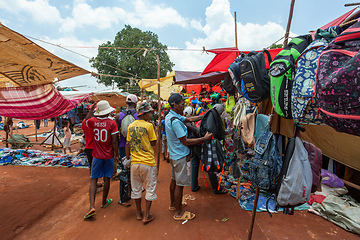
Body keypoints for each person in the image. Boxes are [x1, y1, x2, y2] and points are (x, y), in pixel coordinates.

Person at [165, 93, 213, 221]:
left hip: (175, 154)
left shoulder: (171, 116)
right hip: (180, 155)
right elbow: (185, 141)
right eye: (182, 104)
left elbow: (190, 120)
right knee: (179, 184)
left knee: (174, 180)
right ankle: (179, 212)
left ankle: (173, 204)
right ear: (175, 105)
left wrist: (205, 115)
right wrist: (203, 138)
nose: (184, 105)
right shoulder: (175, 122)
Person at [84, 100, 120, 219]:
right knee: (107, 179)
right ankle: (104, 202)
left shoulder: (93, 122)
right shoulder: (112, 123)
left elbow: (87, 120)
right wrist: (117, 154)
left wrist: (91, 110)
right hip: (108, 155)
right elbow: (114, 141)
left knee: (93, 180)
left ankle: (91, 206)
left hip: (96, 155)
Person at [125, 102, 157, 224]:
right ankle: (147, 215)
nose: (150, 114)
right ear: (143, 113)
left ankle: (139, 212)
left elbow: (128, 143)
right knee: (150, 188)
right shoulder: (149, 126)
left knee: (136, 188)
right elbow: (153, 143)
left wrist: (127, 158)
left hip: (134, 162)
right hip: (148, 162)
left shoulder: (131, 126)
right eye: (149, 112)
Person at [188, 104, 227, 194]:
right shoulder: (213, 118)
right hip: (201, 143)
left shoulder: (206, 114)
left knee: (195, 163)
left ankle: (194, 186)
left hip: (194, 142)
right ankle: (217, 189)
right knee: (210, 164)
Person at [115, 94, 138, 207]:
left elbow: (115, 134)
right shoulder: (139, 115)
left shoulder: (119, 115)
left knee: (125, 170)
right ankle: (135, 191)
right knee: (135, 169)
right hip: (136, 146)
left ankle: (124, 198)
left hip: (123, 145)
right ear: (135, 103)